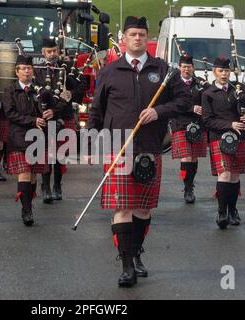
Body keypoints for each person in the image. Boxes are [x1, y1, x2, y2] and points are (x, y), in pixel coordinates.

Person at [87, 16, 191, 287]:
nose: (137, 38)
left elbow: (184, 100)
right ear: (124, 38)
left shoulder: (164, 70)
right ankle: (126, 265)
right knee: (122, 208)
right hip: (117, 147)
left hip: (149, 147)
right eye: (132, 34)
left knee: (143, 209)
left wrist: (159, 111)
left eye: (142, 34)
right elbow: (96, 111)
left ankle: (135, 253)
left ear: (148, 38)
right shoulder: (109, 72)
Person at [202, 57, 245, 229]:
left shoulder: (240, 89)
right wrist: (230, 124)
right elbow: (207, 120)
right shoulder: (208, 94)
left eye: (227, 71)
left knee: (235, 175)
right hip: (220, 138)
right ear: (214, 71)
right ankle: (221, 212)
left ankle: (233, 210)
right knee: (225, 174)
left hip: (241, 137)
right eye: (221, 71)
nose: (224, 74)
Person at [3, 55, 52, 226]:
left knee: (32, 176)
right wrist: (32, 120)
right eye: (23, 68)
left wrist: (50, 112)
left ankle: (28, 204)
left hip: (37, 138)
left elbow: (53, 106)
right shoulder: (10, 91)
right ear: (17, 72)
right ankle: (26, 211)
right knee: (24, 173)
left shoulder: (40, 91)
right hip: (18, 138)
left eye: (29, 68)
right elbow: (9, 113)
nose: (27, 71)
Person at [34, 37, 84, 203]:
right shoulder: (38, 70)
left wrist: (72, 94)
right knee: (47, 153)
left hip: (65, 115)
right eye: (49, 51)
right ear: (43, 53)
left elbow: (80, 88)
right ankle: (46, 186)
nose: (53, 54)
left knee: (60, 154)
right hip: (46, 115)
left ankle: (57, 185)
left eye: (55, 50)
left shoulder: (67, 68)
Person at [171, 54, 209, 203]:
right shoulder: (173, 84)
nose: (186, 69)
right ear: (180, 67)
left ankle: (190, 185)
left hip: (197, 125)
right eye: (184, 67)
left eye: (189, 66)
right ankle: (187, 188)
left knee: (193, 157)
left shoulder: (200, 83)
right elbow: (173, 103)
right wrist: (192, 108)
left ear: (193, 68)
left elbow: (210, 98)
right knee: (186, 157)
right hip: (180, 123)